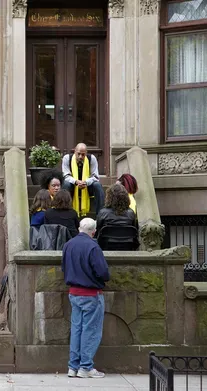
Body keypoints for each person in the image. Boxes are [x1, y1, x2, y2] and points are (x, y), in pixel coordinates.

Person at [62, 218, 110, 379]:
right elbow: (103, 272)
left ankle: (72, 367)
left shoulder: (68, 245)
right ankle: (85, 367)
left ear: (78, 228)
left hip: (74, 293)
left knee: (76, 329)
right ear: (94, 232)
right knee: (91, 331)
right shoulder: (93, 246)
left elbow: (64, 268)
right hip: (91, 294)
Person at [61, 143, 105, 217]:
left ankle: (100, 215)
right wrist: (76, 182)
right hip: (73, 186)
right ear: (75, 151)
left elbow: (95, 177)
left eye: (83, 154)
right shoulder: (67, 158)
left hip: (87, 187)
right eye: (78, 154)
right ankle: (65, 214)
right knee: (66, 184)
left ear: (86, 153)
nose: (80, 156)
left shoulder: (92, 158)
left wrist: (86, 182)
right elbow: (65, 176)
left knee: (97, 185)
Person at [95, 183, 139, 250]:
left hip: (106, 246)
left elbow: (98, 230)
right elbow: (135, 230)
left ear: (109, 197)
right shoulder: (131, 213)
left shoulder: (103, 213)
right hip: (127, 246)